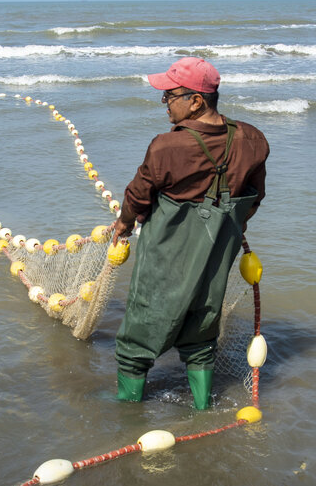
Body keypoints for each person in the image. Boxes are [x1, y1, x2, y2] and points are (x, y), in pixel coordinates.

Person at [112, 57, 269, 409]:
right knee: (202, 327)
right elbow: (255, 197)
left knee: (140, 332)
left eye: (170, 95)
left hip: (167, 250)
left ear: (196, 100)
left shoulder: (167, 147)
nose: (165, 102)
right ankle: (201, 409)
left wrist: (123, 225)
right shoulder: (253, 140)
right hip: (217, 254)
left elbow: (137, 197)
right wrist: (231, 227)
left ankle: (126, 413)